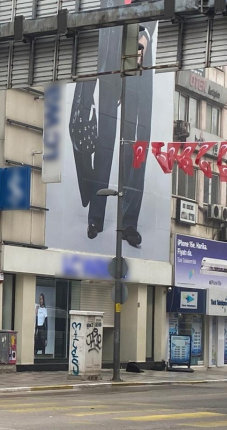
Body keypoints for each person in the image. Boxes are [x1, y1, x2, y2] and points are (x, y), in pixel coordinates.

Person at [69, 0, 155, 249]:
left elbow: (155, 12)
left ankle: (129, 222)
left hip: (138, 61)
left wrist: (144, 39)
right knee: (104, 141)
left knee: (136, 145)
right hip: (107, 59)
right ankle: (96, 217)